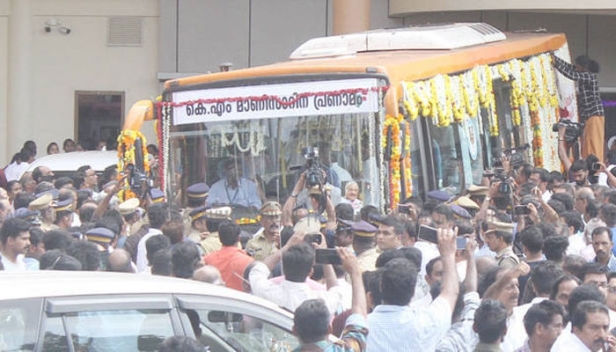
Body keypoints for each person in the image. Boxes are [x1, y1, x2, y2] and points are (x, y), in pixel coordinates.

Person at [366, 227, 459, 352]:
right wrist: (448, 255)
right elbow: (451, 292)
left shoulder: (361, 326)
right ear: (413, 291)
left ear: (381, 286)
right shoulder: (426, 323)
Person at [293, 247, 367, 352]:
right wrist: (355, 272)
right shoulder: (347, 349)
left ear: (294, 330)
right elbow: (360, 315)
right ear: (329, 329)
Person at [553, 54, 605, 162]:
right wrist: (555, 59)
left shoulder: (589, 76)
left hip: (594, 114)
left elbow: (571, 75)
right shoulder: (583, 73)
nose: (575, 67)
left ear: (583, 66)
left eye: (577, 65)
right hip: (588, 116)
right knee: (586, 142)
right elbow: (569, 67)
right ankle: (588, 163)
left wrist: (556, 64)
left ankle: (596, 166)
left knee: (593, 142)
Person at [204, 220, 254, 291]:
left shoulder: (207, 259)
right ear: (238, 238)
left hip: (214, 299)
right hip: (240, 300)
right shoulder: (249, 262)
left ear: (220, 239)